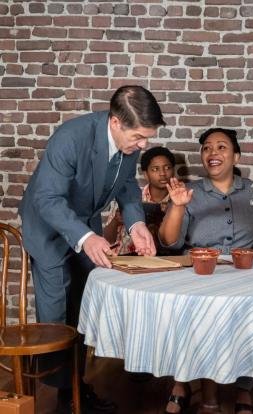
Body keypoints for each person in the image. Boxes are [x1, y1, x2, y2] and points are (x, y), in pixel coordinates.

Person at [19, 85, 164, 413]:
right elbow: (47, 199)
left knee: (84, 304)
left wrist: (137, 223)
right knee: (56, 312)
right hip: (48, 226)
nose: (144, 145)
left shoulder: (131, 141)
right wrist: (85, 237)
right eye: (140, 137)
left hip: (85, 224)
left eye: (147, 137)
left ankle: (76, 387)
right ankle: (60, 398)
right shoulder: (69, 137)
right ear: (115, 122)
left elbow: (127, 187)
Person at [159, 127, 253, 414]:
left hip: (245, 272)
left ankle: (244, 390)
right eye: (207, 148)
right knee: (188, 316)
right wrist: (178, 207)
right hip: (200, 272)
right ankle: (181, 383)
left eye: (221, 147)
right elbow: (170, 241)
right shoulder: (188, 192)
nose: (212, 153)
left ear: (236, 156)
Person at [104, 146, 176, 256]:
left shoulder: (179, 201)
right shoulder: (129, 197)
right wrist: (115, 221)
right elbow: (107, 240)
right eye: (155, 169)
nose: (162, 173)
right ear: (145, 174)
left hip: (164, 259)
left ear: (173, 170)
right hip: (124, 259)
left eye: (167, 168)